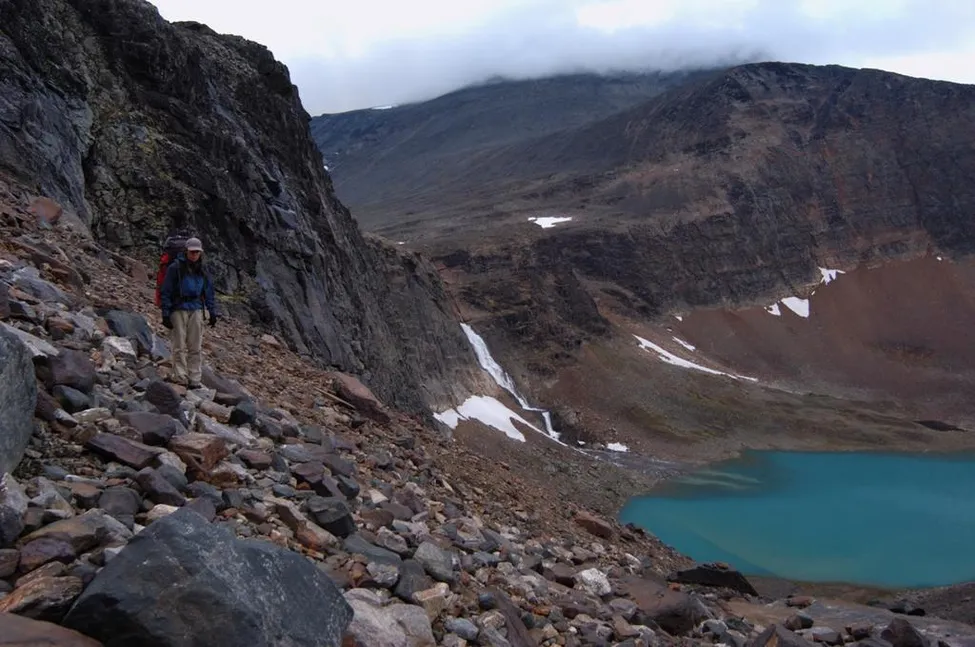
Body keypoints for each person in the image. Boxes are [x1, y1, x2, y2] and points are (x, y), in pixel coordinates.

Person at [159, 237, 218, 388]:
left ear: (200, 253)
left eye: (197, 252)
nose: (194, 255)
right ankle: (180, 376)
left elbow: (208, 291)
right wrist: (165, 312)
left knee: (195, 345)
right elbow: (166, 291)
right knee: (178, 344)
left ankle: (194, 378)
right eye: (192, 252)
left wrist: (211, 311)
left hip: (196, 307)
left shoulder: (203, 269)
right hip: (178, 308)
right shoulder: (175, 268)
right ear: (186, 251)